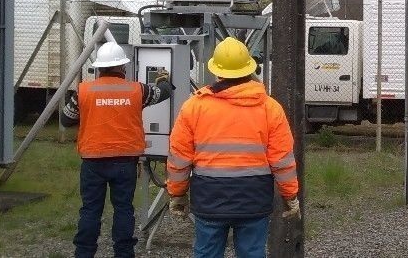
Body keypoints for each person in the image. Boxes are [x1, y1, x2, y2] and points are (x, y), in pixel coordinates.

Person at [166, 36, 300, 258]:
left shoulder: (194, 107)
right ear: (249, 69)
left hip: (209, 199)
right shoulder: (269, 108)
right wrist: (290, 196)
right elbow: (282, 160)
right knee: (252, 252)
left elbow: (179, 158)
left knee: (206, 253)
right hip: (254, 201)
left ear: (217, 71)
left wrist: (177, 194)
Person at [60, 41, 173, 258]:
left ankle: (84, 253)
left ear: (99, 68)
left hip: (93, 161)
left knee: (90, 210)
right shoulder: (137, 90)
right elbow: (163, 93)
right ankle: (123, 253)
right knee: (123, 209)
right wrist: (164, 79)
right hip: (125, 161)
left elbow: (66, 120)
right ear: (123, 67)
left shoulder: (84, 91)